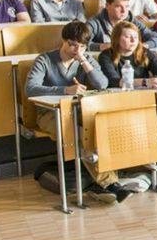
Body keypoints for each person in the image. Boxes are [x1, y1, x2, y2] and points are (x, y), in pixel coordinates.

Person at [25, 21, 124, 203]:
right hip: (50, 114)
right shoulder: (45, 59)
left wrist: (84, 60)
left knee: (101, 128)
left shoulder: (84, 58)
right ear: (63, 41)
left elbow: (102, 84)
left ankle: (103, 182)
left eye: (81, 46)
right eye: (72, 44)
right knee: (79, 135)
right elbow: (30, 89)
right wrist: (64, 90)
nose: (75, 49)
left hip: (80, 112)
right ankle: (110, 183)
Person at [87, 0, 157, 50]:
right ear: (107, 6)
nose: (124, 11)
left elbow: (155, 37)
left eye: (126, 6)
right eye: (118, 6)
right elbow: (80, 43)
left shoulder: (131, 20)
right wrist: (101, 46)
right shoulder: (94, 23)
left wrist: (144, 46)